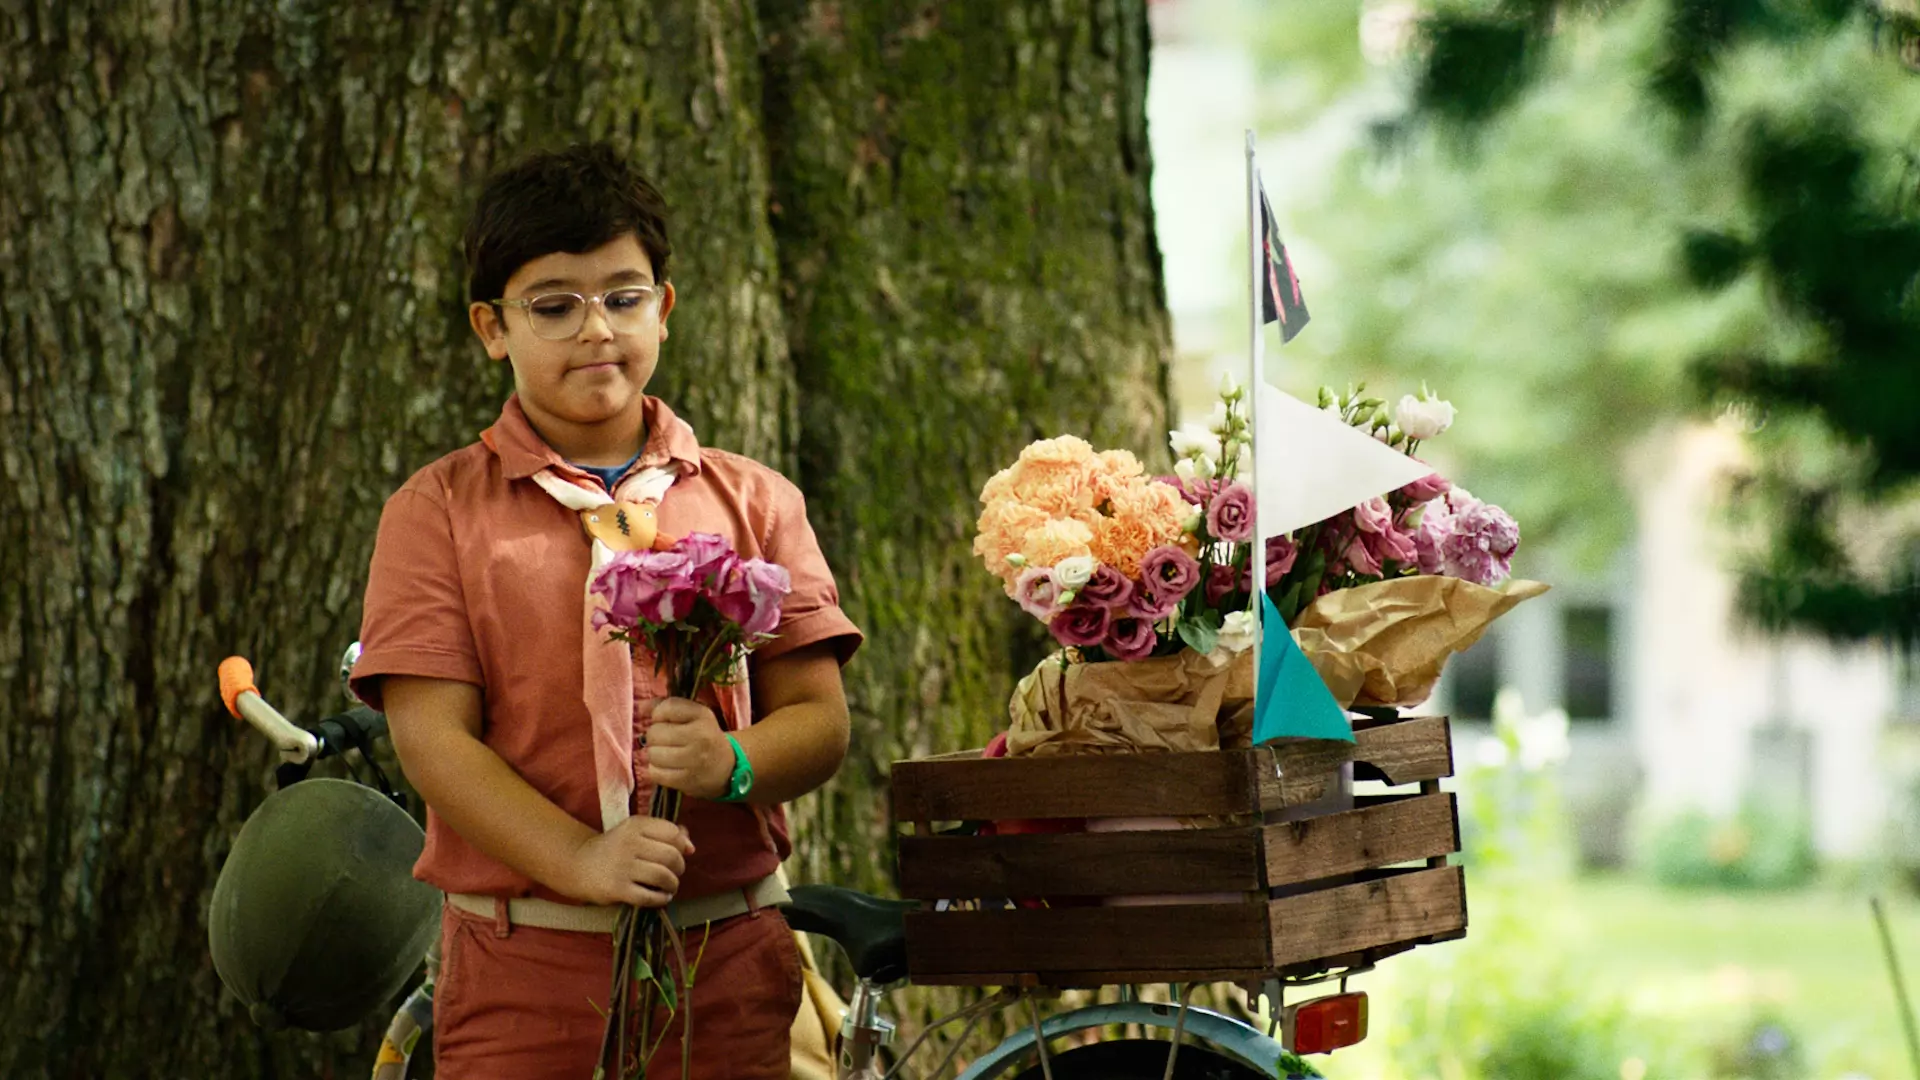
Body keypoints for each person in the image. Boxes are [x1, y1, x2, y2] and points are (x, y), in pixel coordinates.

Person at [350, 142, 861, 1080]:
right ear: (491, 328)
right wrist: (584, 859)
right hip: (526, 969)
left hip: (730, 957)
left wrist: (733, 762)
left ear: (663, 308)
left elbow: (821, 725)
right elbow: (432, 743)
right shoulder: (437, 513)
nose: (596, 329)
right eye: (554, 305)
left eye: (623, 296)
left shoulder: (755, 502)